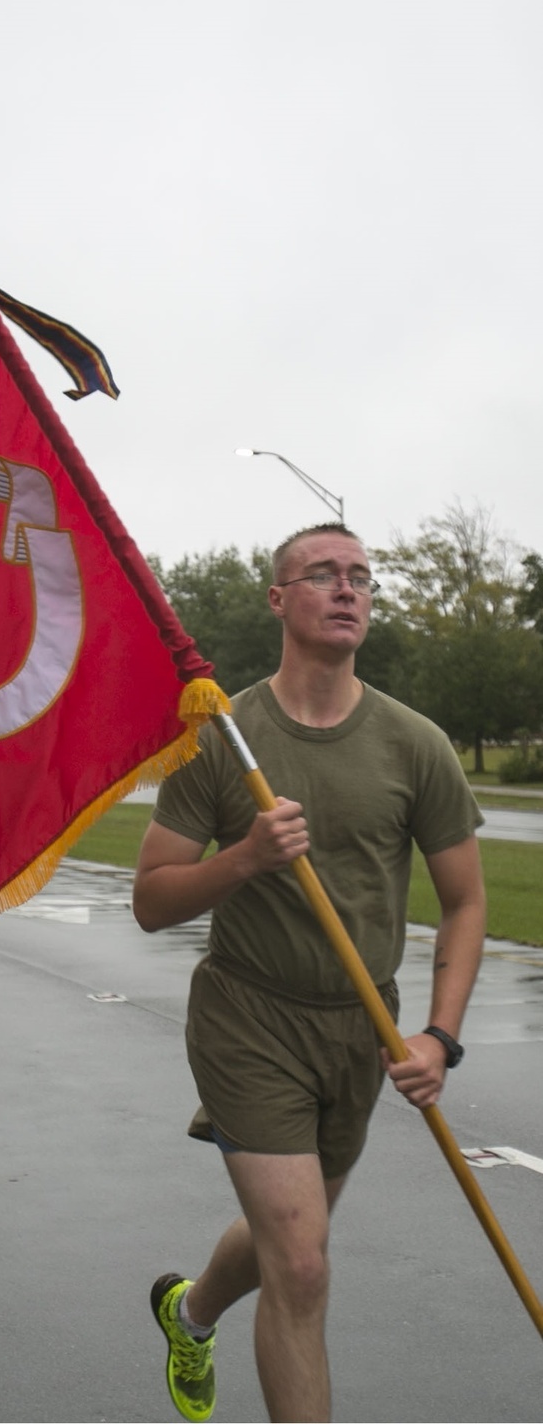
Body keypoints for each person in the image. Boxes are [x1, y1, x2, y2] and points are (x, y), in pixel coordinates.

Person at [133, 522, 485, 1424]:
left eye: (361, 577)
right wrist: (244, 858)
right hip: (249, 1017)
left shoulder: (416, 744)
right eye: (323, 574)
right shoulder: (221, 736)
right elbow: (153, 898)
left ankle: (192, 1310)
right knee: (303, 1263)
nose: (348, 589)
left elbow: (465, 903)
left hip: (360, 1029)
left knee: (291, 1237)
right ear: (279, 599)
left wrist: (439, 1036)